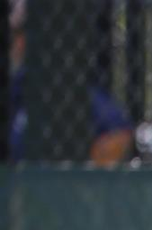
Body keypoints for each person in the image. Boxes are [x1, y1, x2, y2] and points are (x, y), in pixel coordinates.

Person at [6, 0, 134, 165]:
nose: (16, 44)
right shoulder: (18, 85)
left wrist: (86, 180)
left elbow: (120, 132)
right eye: (15, 35)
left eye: (19, 34)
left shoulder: (66, 80)